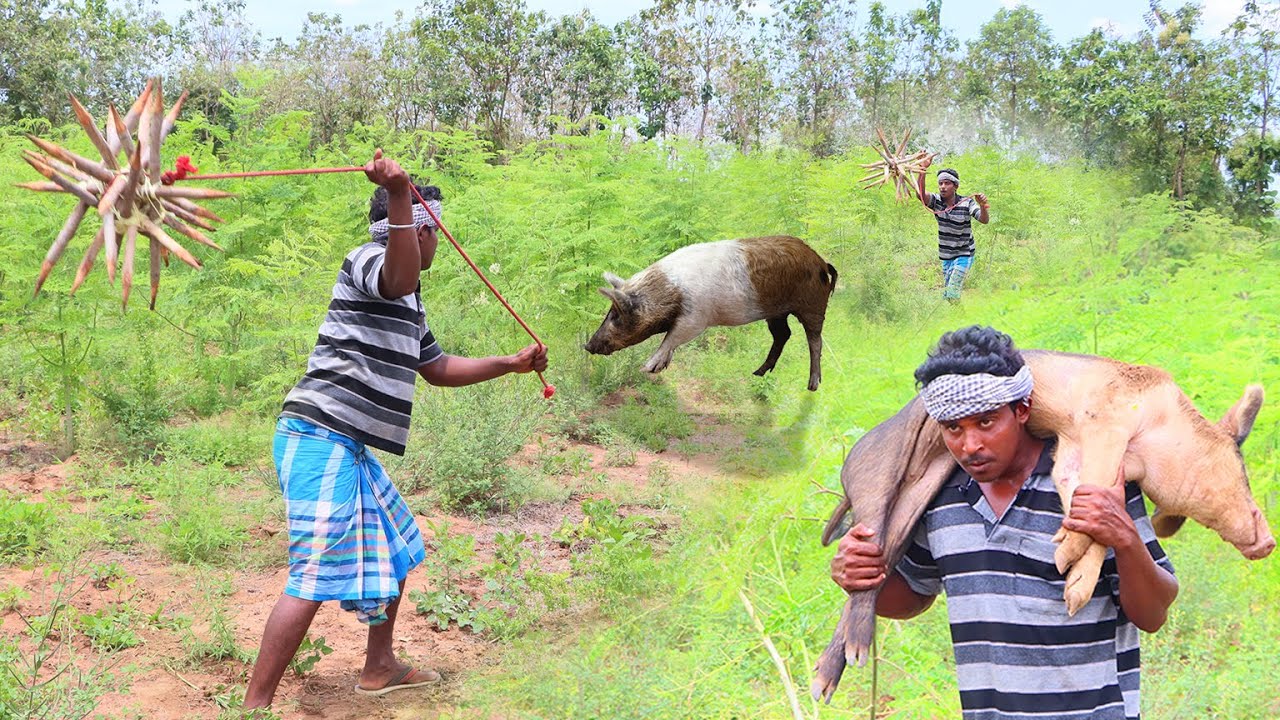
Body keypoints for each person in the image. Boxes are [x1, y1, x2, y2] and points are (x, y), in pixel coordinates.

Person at [243, 150, 548, 708]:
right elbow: (400, 269)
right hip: (318, 437)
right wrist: (402, 193)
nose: (434, 246)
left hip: (347, 446)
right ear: (418, 228)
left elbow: (435, 369)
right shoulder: (366, 261)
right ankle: (254, 706)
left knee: (398, 545)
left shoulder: (409, 299)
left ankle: (379, 665)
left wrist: (509, 363)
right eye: (430, 232)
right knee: (310, 577)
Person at [830, 326, 1177, 720]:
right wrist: (860, 577)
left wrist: (1125, 538)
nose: (970, 445)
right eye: (953, 428)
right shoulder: (941, 496)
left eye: (986, 422)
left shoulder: (1092, 482)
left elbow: (1153, 615)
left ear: (1022, 410)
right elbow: (911, 598)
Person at [915, 159, 989, 301]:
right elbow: (920, 195)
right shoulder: (936, 202)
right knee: (949, 296)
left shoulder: (967, 203)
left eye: (947, 183)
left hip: (964, 253)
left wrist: (983, 206)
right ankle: (961, 317)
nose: (942, 187)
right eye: (940, 183)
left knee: (952, 291)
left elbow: (984, 220)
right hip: (946, 255)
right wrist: (922, 170)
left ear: (955, 186)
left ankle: (960, 319)